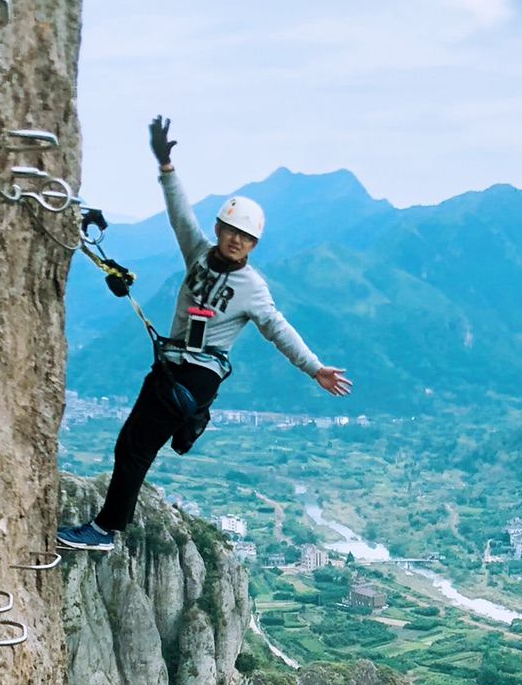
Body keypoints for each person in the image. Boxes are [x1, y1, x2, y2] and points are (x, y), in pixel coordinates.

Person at [58, 117, 351, 551]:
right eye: (232, 231)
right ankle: (107, 525)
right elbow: (179, 215)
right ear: (219, 229)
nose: (237, 240)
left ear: (253, 246)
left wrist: (314, 369)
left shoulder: (253, 288)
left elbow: (278, 328)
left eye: (246, 238)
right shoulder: (198, 254)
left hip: (196, 376)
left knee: (136, 446)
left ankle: (104, 531)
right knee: (131, 445)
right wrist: (166, 166)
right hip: (172, 367)